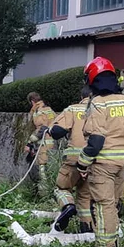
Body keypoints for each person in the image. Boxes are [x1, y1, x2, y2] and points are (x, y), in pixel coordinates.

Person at [77, 57, 124, 247]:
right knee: (113, 205)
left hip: (103, 165)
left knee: (103, 206)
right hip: (123, 163)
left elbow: (96, 141)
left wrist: (82, 163)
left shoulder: (98, 103)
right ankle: (115, 245)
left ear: (92, 79)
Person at [48, 86, 93, 232]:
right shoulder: (102, 110)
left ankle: (68, 206)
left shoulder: (73, 109)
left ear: (82, 97)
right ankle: (86, 230)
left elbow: (57, 132)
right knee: (85, 196)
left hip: (74, 160)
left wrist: (49, 129)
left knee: (61, 188)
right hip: (95, 160)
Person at [24, 92, 56, 182]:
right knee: (48, 167)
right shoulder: (49, 109)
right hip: (52, 142)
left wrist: (29, 143)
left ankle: (43, 191)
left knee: (42, 170)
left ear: (32, 101)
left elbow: (41, 128)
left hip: (43, 143)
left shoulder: (39, 111)